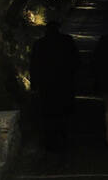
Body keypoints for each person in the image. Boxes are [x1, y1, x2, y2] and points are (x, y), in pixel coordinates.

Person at [29, 19, 79, 151]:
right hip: (64, 83)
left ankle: (49, 139)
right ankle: (63, 137)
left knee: (48, 112)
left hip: (46, 84)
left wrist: (34, 84)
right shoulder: (67, 41)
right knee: (63, 111)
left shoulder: (39, 44)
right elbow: (75, 62)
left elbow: (33, 65)